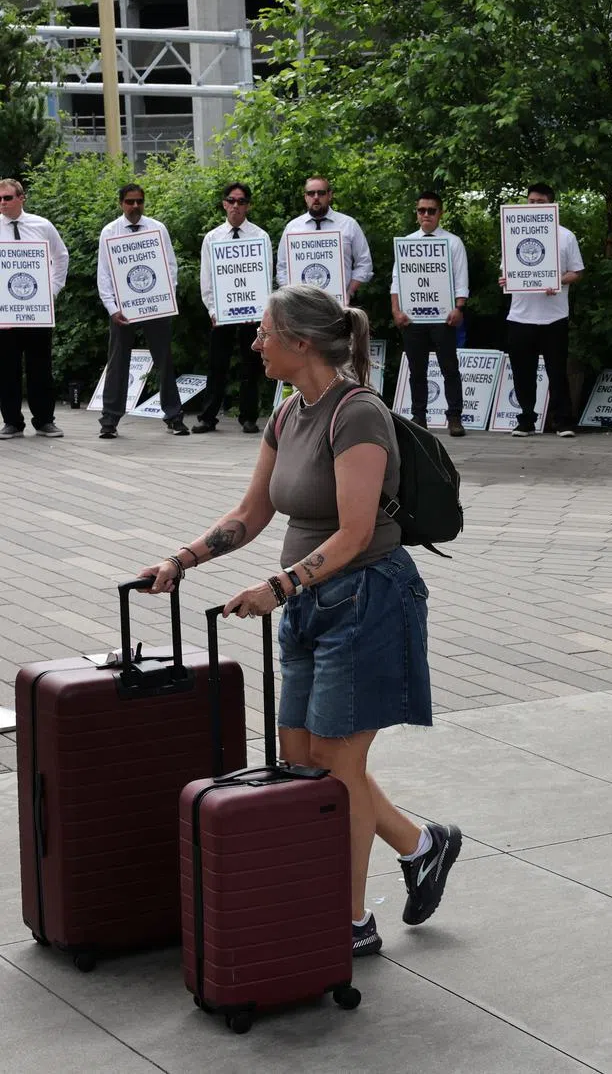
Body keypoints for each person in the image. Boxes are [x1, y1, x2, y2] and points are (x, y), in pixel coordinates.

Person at [138, 283, 461, 957]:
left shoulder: (358, 414)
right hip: (311, 605)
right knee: (303, 758)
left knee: (338, 763)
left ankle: (347, 922)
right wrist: (183, 559)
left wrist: (278, 585)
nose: (255, 344)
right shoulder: (289, 414)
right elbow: (252, 513)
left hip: (368, 599)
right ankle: (422, 844)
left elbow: (355, 531)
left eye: (264, 334)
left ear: (300, 343)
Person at [96, 183, 187, 439]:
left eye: (139, 201)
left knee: (164, 360)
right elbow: (104, 274)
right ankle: (109, 421)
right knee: (117, 363)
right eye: (130, 202)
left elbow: (170, 267)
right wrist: (112, 308)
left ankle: (174, 416)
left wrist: (164, 299)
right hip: (122, 310)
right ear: (121, 203)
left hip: (156, 307)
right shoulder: (109, 232)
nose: (135, 206)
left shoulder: (157, 229)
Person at [498, 183, 585, 437]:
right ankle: (526, 420)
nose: (534, 206)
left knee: (557, 371)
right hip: (520, 315)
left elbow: (577, 272)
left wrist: (558, 281)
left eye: (539, 202)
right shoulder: (513, 232)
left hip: (554, 316)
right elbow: (507, 270)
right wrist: (506, 279)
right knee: (522, 372)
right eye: (531, 201)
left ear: (551, 204)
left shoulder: (566, 236)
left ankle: (563, 421)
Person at [390, 191, 469, 437]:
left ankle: (454, 417)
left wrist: (459, 307)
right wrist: (396, 311)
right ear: (416, 214)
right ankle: (418, 416)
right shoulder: (407, 242)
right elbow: (396, 281)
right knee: (417, 369)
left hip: (443, 316)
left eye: (431, 210)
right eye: (421, 210)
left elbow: (461, 279)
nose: (426, 214)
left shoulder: (453, 242)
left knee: (449, 367)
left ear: (440, 213)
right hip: (413, 317)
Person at [193, 181, 268, 435]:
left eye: (242, 201)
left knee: (251, 364)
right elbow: (207, 280)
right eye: (232, 200)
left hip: (251, 313)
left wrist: (260, 311)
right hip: (221, 314)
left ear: (248, 205)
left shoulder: (260, 236)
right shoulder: (212, 238)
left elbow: (264, 277)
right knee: (217, 365)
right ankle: (208, 417)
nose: (236, 205)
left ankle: (248, 417)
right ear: (224, 204)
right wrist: (214, 312)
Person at [0, 178, 69, 439]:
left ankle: (44, 420)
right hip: (5, 313)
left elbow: (61, 256)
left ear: (21, 198)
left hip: (38, 310)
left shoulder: (42, 226)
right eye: (0, 199)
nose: (2, 203)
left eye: (7, 198)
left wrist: (51, 291)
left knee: (40, 366)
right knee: (7, 369)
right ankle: (12, 422)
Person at [276, 176, 373, 304]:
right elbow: (282, 268)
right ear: (305, 197)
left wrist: (349, 291)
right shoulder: (292, 228)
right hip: (302, 307)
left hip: (340, 304)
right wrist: (293, 297)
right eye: (311, 193)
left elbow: (364, 263)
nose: (316, 197)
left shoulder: (349, 225)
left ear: (329, 195)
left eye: (321, 193)